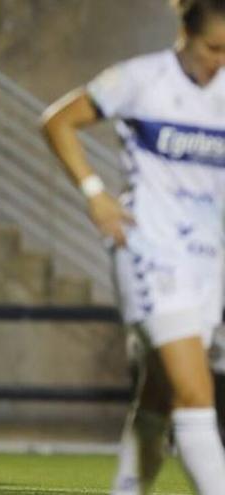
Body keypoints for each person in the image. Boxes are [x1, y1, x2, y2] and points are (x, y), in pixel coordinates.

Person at [41, 1, 225, 493]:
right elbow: (57, 121)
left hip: (208, 261)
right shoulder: (141, 79)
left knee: (160, 396)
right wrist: (95, 193)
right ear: (184, 30)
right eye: (212, 48)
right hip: (150, 250)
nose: (219, 61)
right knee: (195, 391)